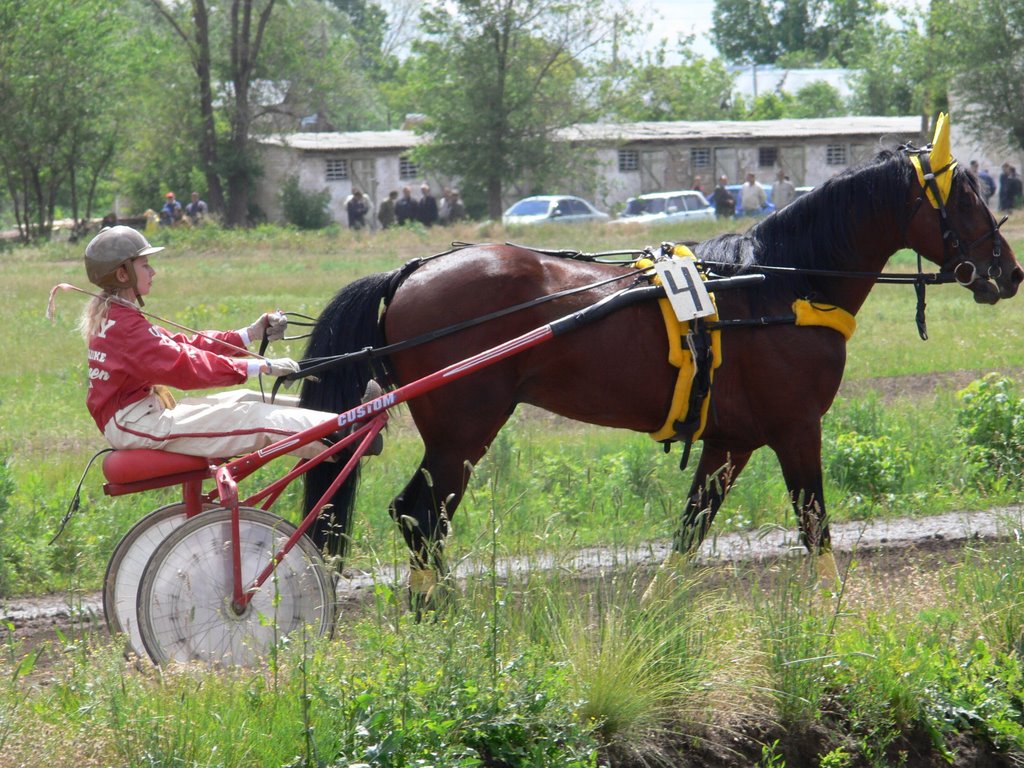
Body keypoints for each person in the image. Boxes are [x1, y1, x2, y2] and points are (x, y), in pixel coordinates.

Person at [79, 225, 347, 460]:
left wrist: (250, 333)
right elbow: (183, 365)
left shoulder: (118, 316)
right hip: (137, 424)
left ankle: (338, 416)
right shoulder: (125, 326)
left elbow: (186, 345)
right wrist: (259, 367)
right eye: (145, 264)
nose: (154, 271)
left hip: (141, 415)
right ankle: (345, 432)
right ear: (123, 274)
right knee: (254, 417)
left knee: (247, 397)